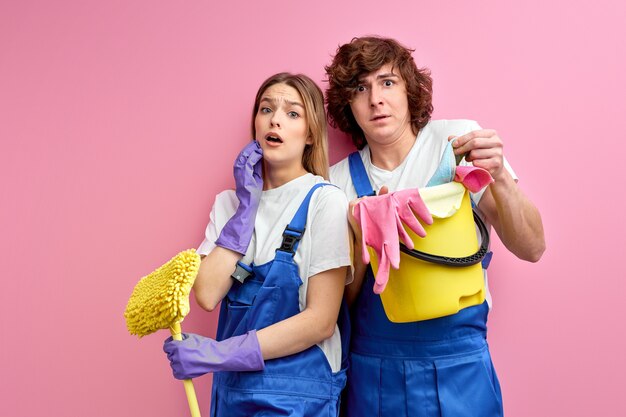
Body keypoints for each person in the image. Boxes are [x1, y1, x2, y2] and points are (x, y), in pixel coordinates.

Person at [325, 36, 545, 416]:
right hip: (373, 373)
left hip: (460, 368)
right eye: (360, 88)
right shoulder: (335, 184)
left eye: (387, 82)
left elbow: (532, 248)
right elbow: (335, 307)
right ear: (349, 104)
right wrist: (362, 237)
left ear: (411, 89)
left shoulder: (456, 142)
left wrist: (502, 180)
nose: (375, 98)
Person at [163, 73, 352, 416]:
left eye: (292, 113)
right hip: (233, 391)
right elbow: (206, 294)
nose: (275, 119)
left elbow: (321, 320)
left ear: (310, 134)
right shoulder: (229, 204)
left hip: (299, 394)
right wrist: (246, 210)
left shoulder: (324, 201)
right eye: (266, 109)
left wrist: (220, 354)